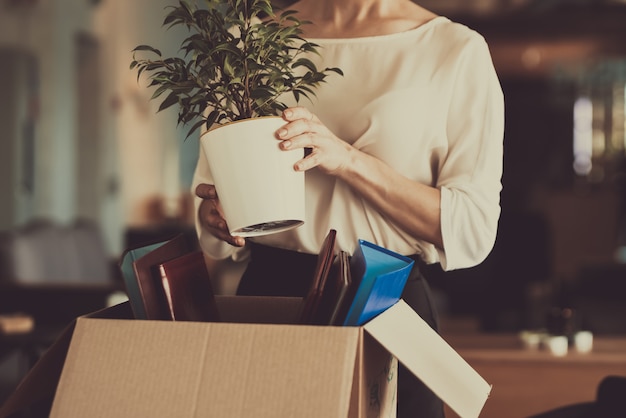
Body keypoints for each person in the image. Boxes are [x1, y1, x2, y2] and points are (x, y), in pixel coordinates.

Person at [192, 0, 504, 416]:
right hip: (268, 301)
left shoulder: (456, 49)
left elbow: (471, 227)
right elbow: (211, 200)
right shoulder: (245, 42)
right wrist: (214, 218)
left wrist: (348, 161)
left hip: (387, 307)